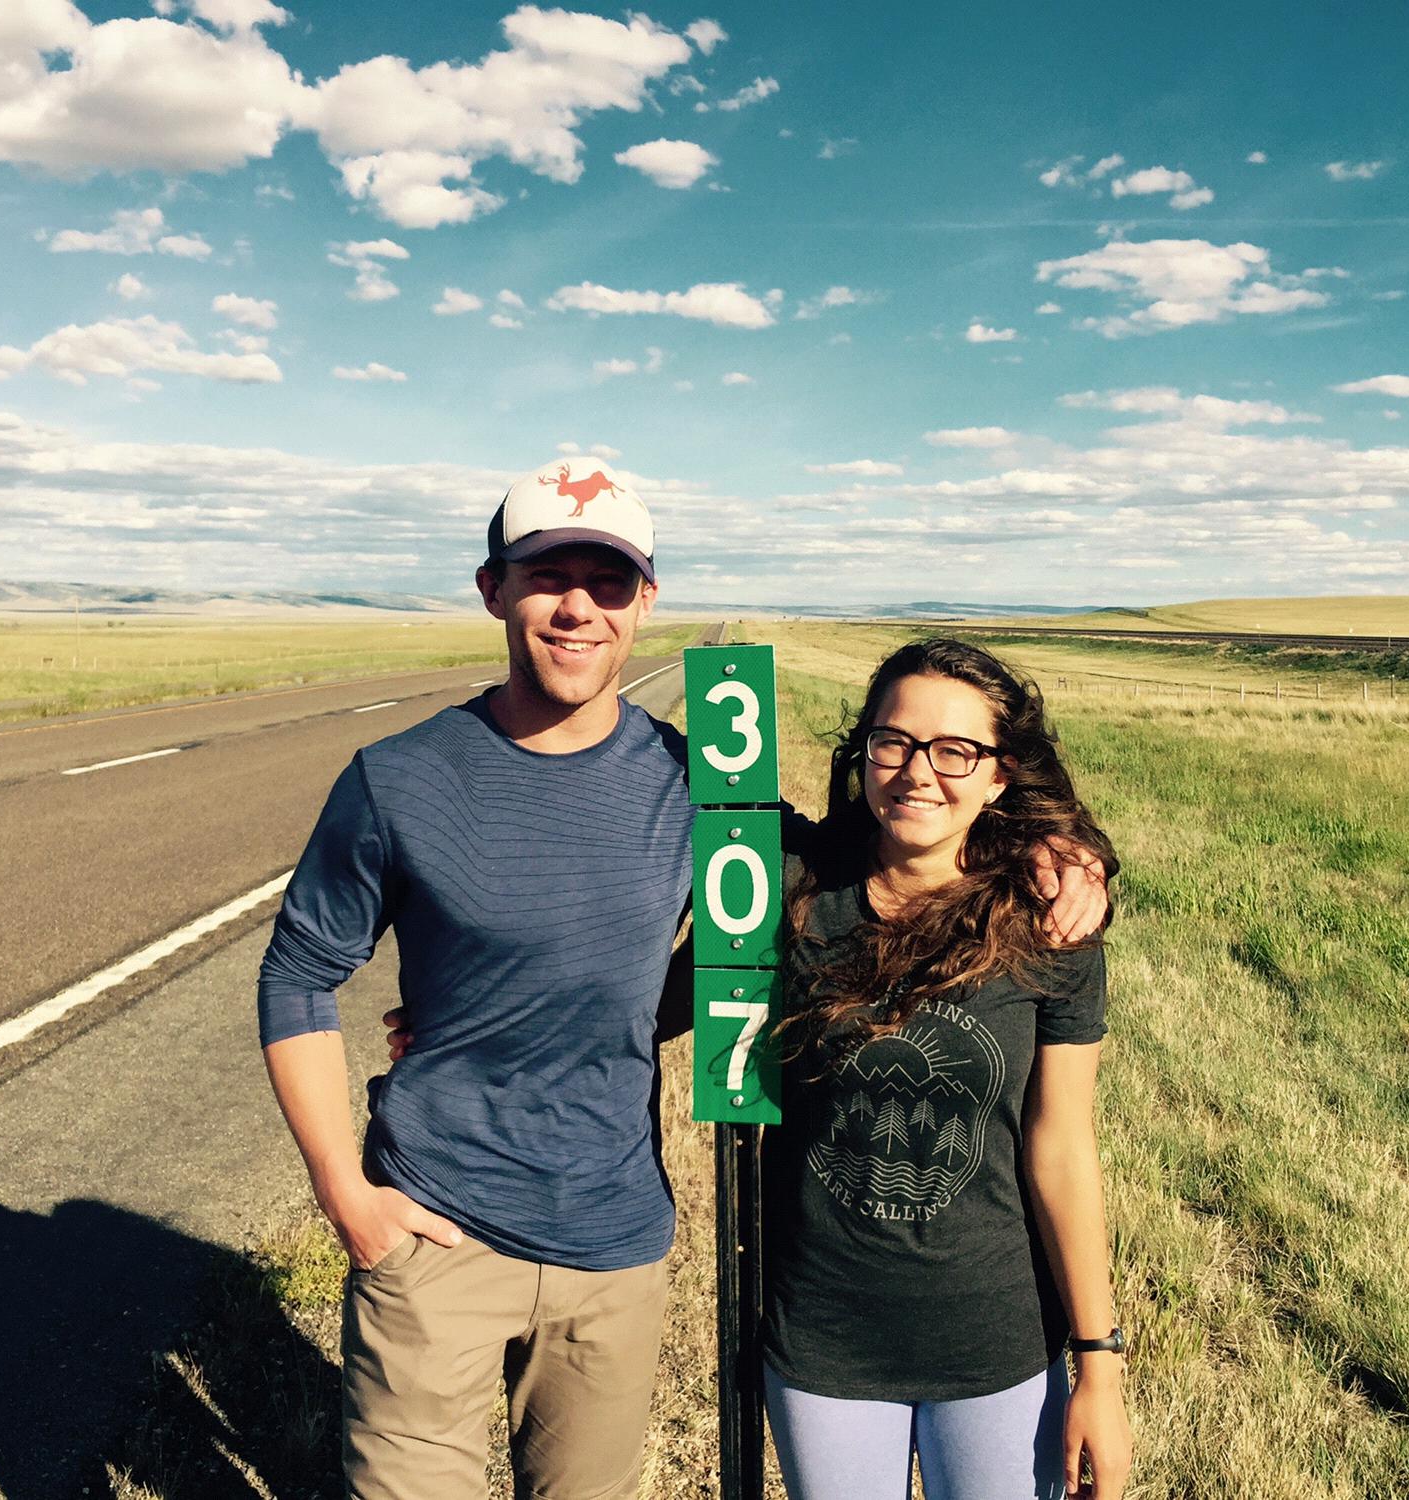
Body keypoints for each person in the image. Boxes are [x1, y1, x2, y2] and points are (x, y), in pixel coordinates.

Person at [258, 458, 1111, 1500]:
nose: (577, 606)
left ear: (644, 603)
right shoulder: (397, 777)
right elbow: (298, 970)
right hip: (435, 1226)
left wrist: (1067, 850)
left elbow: (825, 886)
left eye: (607, 582)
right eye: (544, 576)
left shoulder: (698, 782)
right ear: (492, 590)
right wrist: (347, 1195)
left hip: (614, 1239)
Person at [761, 638, 1132, 1500]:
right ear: (861, 753)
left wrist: (1099, 1366)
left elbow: (1064, 1149)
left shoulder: (1049, 925)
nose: (918, 772)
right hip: (824, 1343)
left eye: (956, 750)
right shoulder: (794, 891)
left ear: (1001, 776)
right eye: (893, 743)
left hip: (998, 1345)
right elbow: (650, 987)